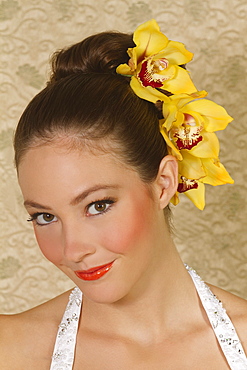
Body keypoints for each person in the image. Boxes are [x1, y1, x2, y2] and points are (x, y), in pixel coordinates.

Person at [0, 19, 246, 369]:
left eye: (97, 205)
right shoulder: (9, 349)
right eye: (45, 216)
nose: (72, 250)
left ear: (164, 183)